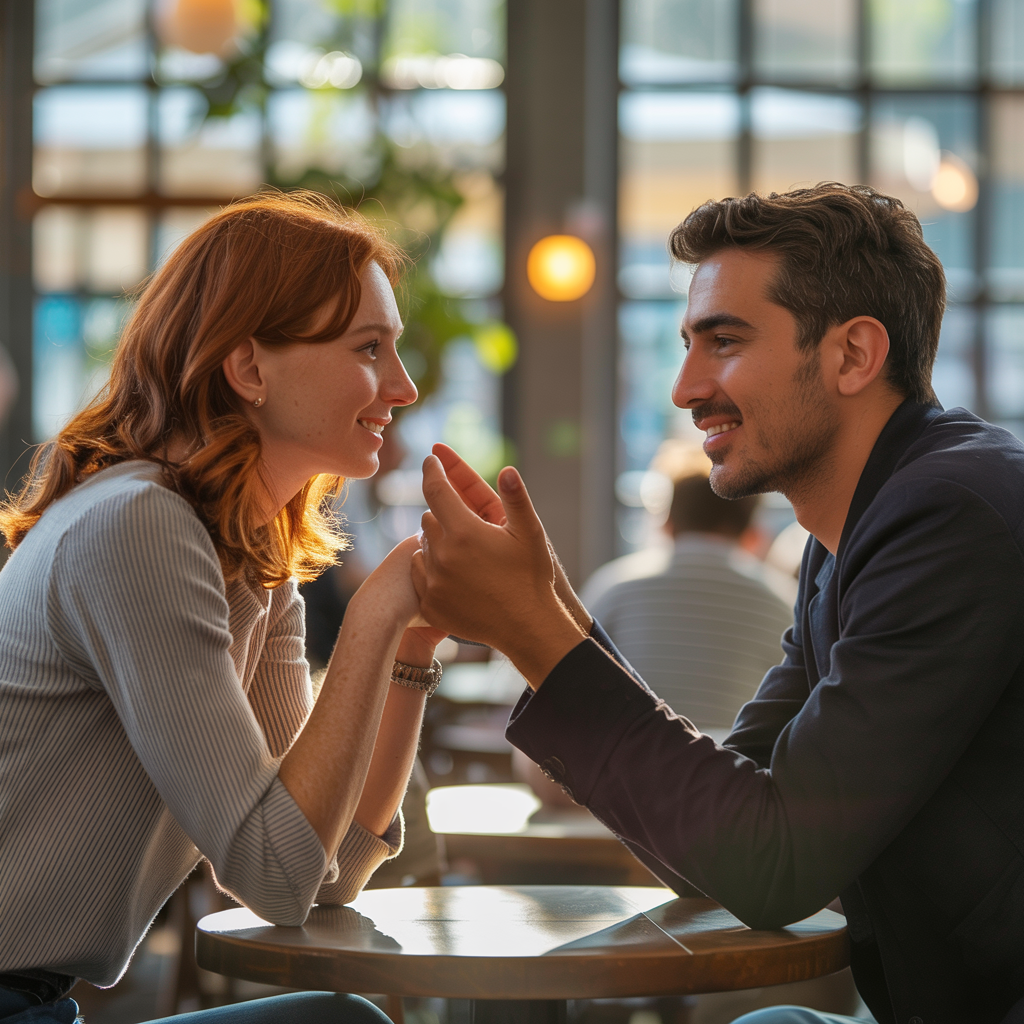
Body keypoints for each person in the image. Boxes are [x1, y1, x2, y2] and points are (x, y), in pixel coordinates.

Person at [410, 183, 1024, 1024]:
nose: (686, 388)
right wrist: (546, 600)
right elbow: (724, 848)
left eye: (724, 342)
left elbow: (776, 862)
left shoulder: (949, 515)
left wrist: (535, 630)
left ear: (852, 356)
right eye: (690, 346)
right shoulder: (849, 536)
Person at [0, 192, 447, 1024]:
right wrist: (373, 619)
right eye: (368, 348)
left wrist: (411, 644)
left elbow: (321, 871)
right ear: (249, 369)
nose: (404, 385)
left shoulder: (246, 553)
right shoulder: (138, 526)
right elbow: (276, 876)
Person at [581, 440, 793, 731]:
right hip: (734, 770)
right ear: (751, 531)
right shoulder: (784, 603)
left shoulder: (614, 588)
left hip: (626, 766)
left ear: (667, 522)